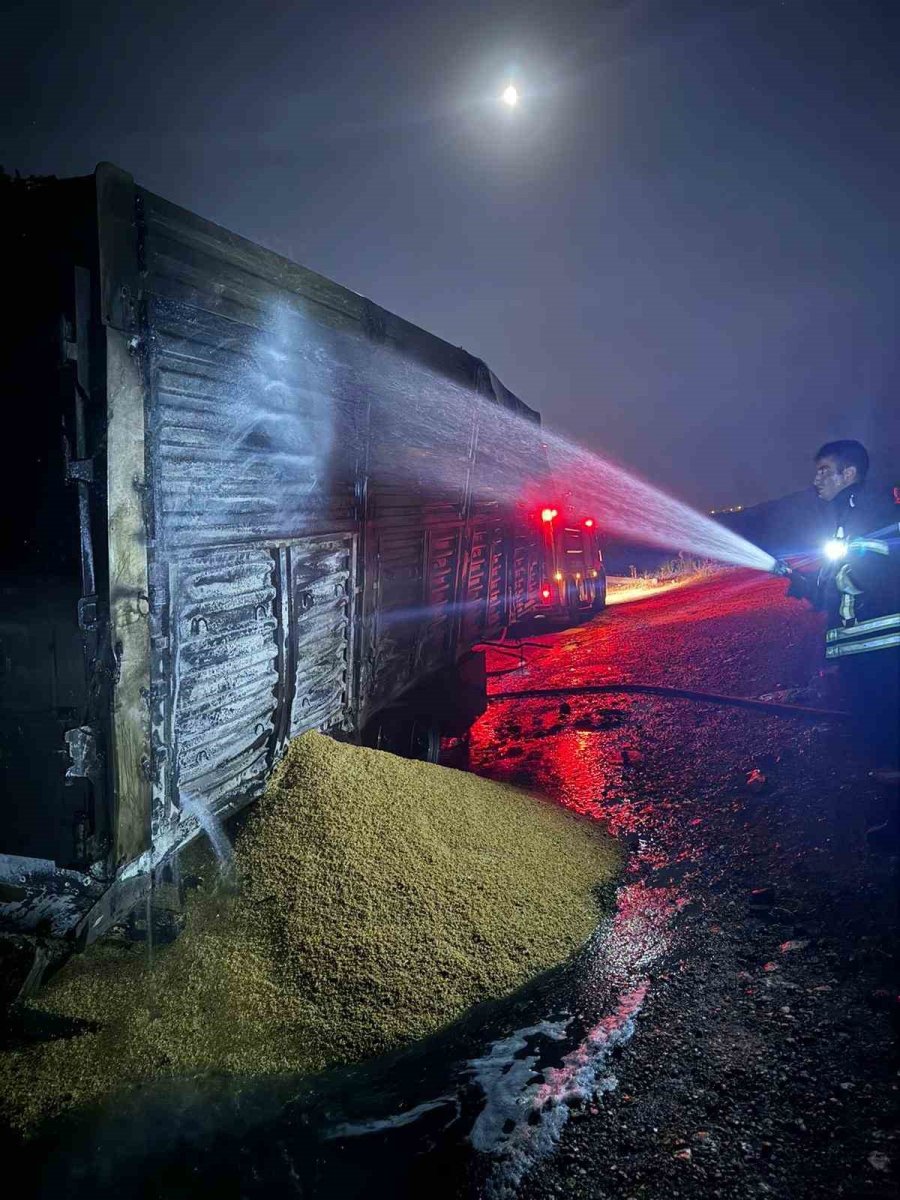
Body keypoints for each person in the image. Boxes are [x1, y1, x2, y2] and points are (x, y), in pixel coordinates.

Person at [783, 440, 900, 769]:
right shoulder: (848, 515)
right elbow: (846, 577)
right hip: (866, 644)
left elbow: (875, 571)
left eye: (824, 471)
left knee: (887, 726)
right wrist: (810, 585)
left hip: (880, 643)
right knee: (878, 727)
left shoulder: (869, 510)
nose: (816, 479)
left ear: (848, 473)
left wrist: (829, 582)